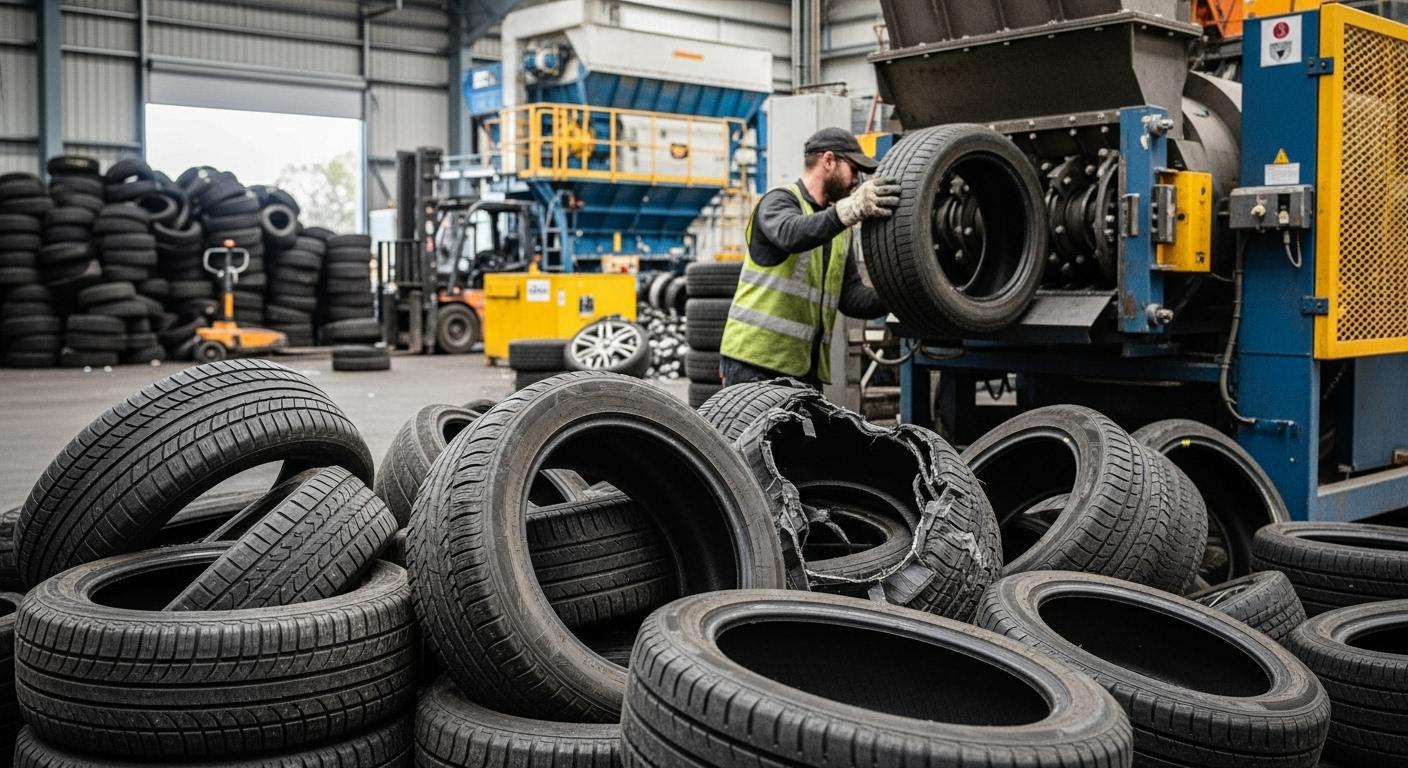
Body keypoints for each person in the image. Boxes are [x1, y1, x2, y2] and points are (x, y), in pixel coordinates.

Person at [718, 127, 900, 389]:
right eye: (853, 169)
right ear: (828, 161)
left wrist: (898, 295)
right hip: (754, 364)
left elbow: (850, 298)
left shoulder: (839, 229)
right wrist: (848, 211)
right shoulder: (778, 202)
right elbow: (791, 234)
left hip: (804, 370)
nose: (856, 182)